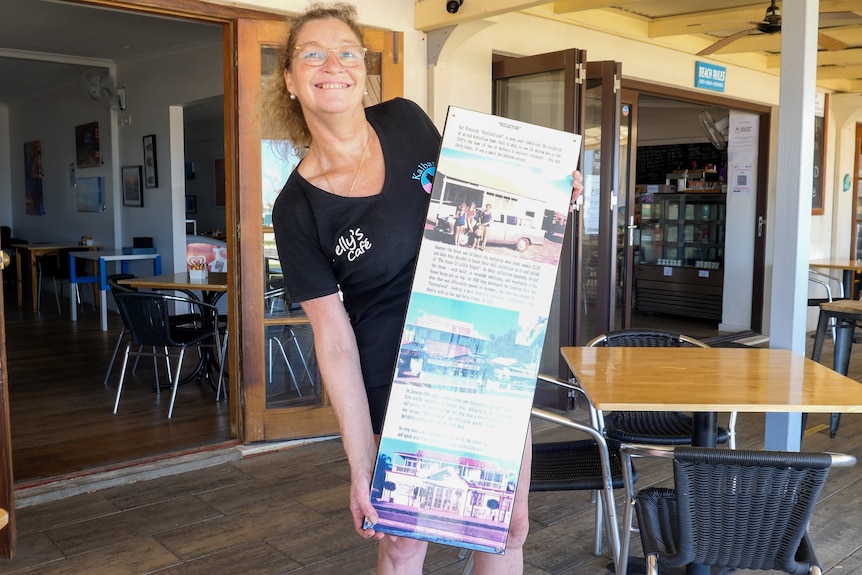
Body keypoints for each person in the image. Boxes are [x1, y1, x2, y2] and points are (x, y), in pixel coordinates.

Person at [265, 4, 582, 573]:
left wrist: (547, 191)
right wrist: (360, 464)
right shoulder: (296, 207)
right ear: (289, 79)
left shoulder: (407, 120)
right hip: (398, 378)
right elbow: (333, 341)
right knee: (404, 542)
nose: (332, 64)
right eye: (312, 53)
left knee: (505, 528)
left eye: (347, 51)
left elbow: (478, 198)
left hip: (487, 353)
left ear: (364, 69)